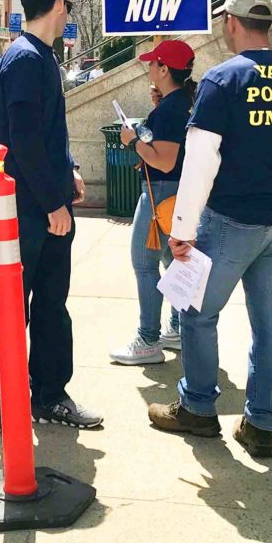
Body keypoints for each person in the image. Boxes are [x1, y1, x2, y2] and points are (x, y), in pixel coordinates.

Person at [148, 0, 272, 458]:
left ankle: (199, 409)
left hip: (231, 219)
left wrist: (181, 230)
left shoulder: (223, 80)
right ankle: (261, 422)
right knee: (270, 322)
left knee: (197, 313)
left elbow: (200, 162)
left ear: (231, 23)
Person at [0, 0, 102, 435]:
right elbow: (23, 140)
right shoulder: (25, 59)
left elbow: (50, 133)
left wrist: (67, 170)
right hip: (26, 211)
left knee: (51, 303)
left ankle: (50, 395)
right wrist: (53, 204)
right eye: (67, 4)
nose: (69, 11)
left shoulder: (41, 56)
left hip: (46, 203)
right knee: (14, 305)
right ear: (57, 5)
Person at [109, 39, 196, 364]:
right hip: (175, 193)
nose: (148, 67)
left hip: (160, 192)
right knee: (172, 263)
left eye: (153, 62)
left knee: (145, 264)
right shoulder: (182, 101)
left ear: (164, 69)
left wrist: (133, 141)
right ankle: (175, 328)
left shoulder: (173, 108)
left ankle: (148, 340)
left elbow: (164, 160)